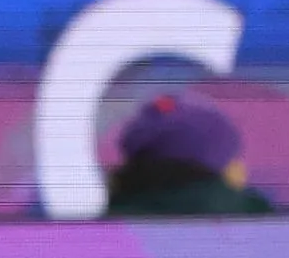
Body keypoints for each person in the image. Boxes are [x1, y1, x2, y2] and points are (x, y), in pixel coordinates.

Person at [105, 92, 272, 217]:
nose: (242, 167)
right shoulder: (252, 213)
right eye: (233, 156)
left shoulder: (106, 216)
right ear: (218, 164)